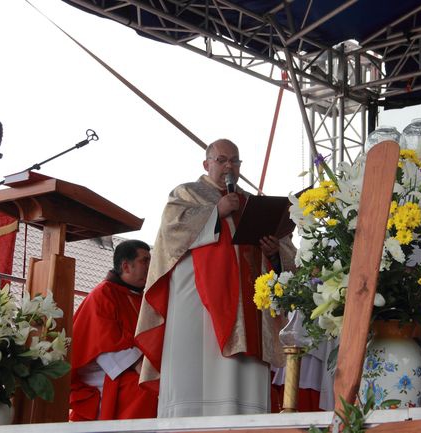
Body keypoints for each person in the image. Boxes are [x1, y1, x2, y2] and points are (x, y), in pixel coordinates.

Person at [135, 138, 295, 417]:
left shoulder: (251, 204)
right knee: (198, 375)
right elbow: (171, 236)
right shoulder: (187, 193)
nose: (229, 166)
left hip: (251, 308)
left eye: (235, 160)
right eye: (222, 160)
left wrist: (273, 251)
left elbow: (282, 253)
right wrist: (216, 212)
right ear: (206, 164)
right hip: (199, 307)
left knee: (243, 391)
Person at [69, 239, 157, 421]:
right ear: (126, 266)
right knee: (144, 389)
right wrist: (138, 364)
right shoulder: (103, 293)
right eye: (144, 261)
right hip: (103, 368)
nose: (150, 265)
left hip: (131, 365)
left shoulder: (140, 297)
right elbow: (102, 342)